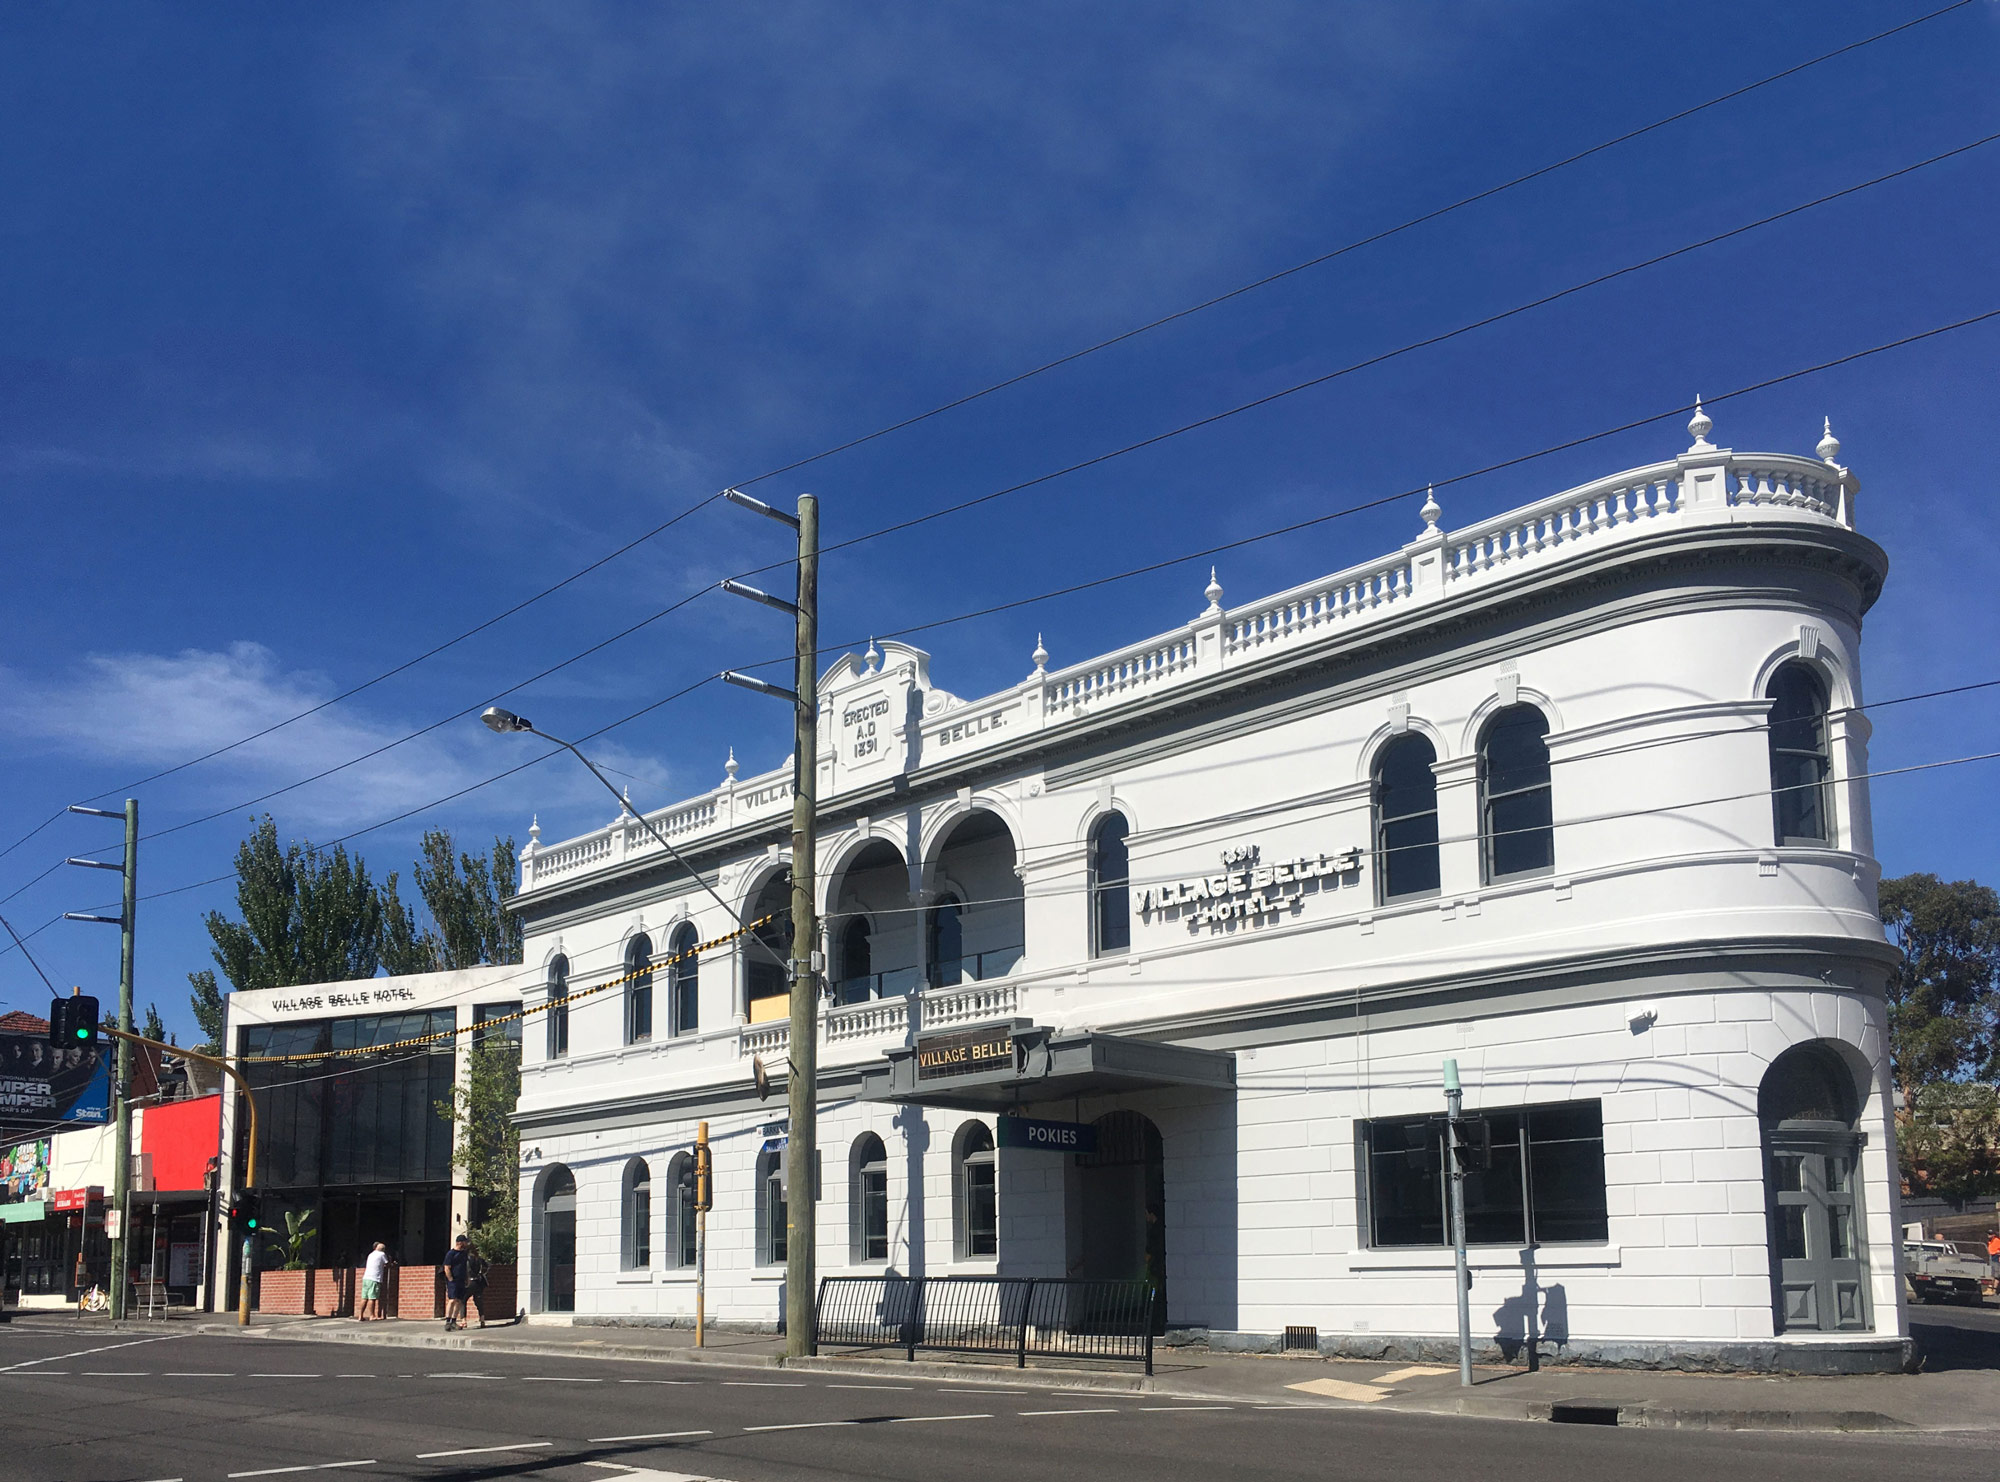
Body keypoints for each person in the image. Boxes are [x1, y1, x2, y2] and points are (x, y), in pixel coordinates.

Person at [440, 1234, 471, 1332]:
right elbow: (447, 1267)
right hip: (453, 1280)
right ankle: (448, 1321)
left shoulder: (464, 1254)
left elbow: (465, 1267)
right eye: (465, 1242)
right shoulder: (451, 1253)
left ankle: (454, 1321)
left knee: (459, 1300)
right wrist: (450, 1279)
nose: (466, 1244)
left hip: (461, 1279)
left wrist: (467, 1278)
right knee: (452, 1299)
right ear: (460, 1242)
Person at [359, 1242, 389, 1322]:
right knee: (372, 1298)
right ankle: (372, 1316)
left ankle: (360, 1315)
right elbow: (387, 1264)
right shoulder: (382, 1254)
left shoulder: (371, 1254)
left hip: (366, 1278)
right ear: (383, 1250)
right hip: (374, 1278)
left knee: (364, 1298)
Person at [464, 1245, 490, 1329]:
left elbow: (465, 1270)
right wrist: (483, 1274)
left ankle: (464, 1321)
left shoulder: (466, 1259)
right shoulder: (478, 1258)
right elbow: (488, 1265)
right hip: (479, 1282)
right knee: (478, 1300)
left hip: (469, 1282)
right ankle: (482, 1319)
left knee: (463, 1300)